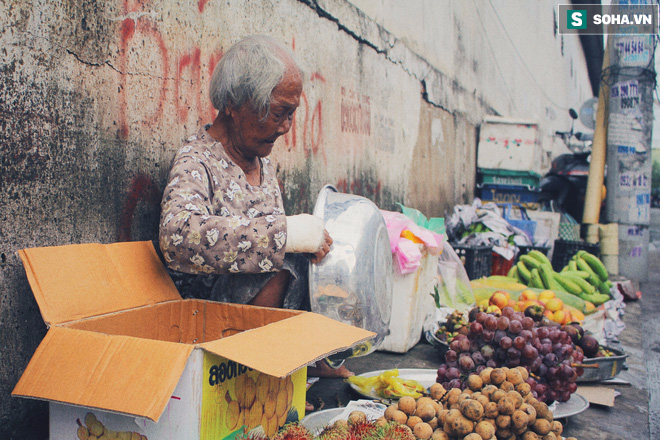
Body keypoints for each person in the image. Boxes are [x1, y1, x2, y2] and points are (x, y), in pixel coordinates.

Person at [158, 35, 352, 398]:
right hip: (213, 334)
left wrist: (303, 243)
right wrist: (283, 235)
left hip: (262, 332)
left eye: (292, 114)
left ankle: (301, 361)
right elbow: (175, 237)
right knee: (280, 258)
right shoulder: (197, 161)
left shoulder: (266, 168)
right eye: (278, 112)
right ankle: (263, 384)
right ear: (234, 103)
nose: (285, 127)